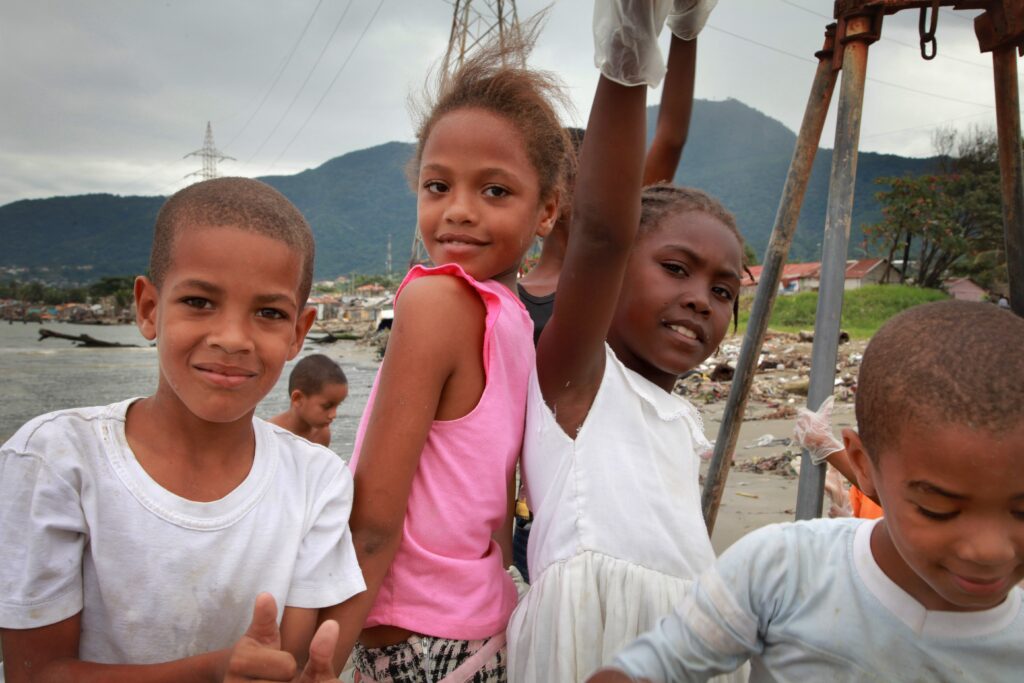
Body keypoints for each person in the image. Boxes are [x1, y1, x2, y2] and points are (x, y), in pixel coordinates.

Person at [0, 177, 365, 682]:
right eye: (199, 302)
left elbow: (286, 661)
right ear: (149, 309)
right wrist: (213, 671)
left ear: (298, 333)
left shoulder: (317, 481)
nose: (233, 338)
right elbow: (34, 674)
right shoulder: (57, 461)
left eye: (268, 313)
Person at [589, 300, 1024, 682]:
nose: (989, 550)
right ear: (862, 466)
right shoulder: (783, 569)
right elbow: (657, 665)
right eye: (937, 509)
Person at [322, 25, 570, 682]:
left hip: (415, 642)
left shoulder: (435, 303)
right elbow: (498, 501)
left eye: (495, 191)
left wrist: (316, 656)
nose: (458, 212)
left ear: (547, 211)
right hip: (483, 627)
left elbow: (374, 519)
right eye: (437, 186)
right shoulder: (515, 321)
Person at [506, 3, 743, 681]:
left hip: (680, 637)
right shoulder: (576, 360)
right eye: (676, 270)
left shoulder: (678, 416)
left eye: (724, 292)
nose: (702, 297)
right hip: (590, 628)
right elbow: (608, 234)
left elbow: (668, 138)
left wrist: (686, 32)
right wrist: (627, 46)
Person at [270, 353, 349, 447]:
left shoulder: (322, 434)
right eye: (327, 406)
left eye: (338, 405)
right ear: (297, 398)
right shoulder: (270, 435)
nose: (334, 415)